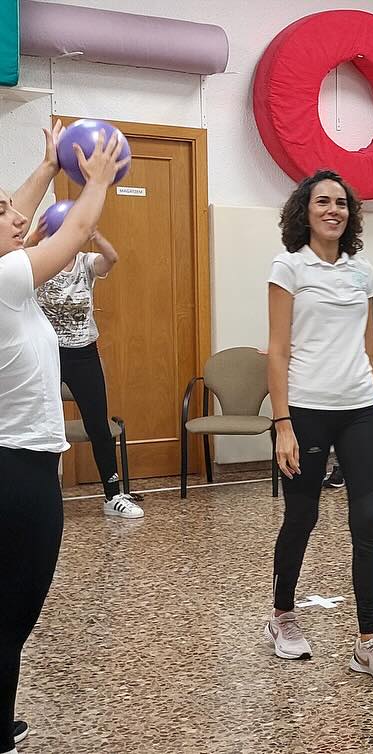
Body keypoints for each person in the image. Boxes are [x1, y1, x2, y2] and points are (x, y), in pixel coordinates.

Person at [1, 121, 125, 754]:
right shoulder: (3, 281)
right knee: (15, 607)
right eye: (1, 213)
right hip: (16, 472)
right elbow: (72, 234)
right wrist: (95, 184)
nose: (13, 213)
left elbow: (22, 215)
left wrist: (50, 165)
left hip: (16, 464)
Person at [263, 169, 373, 685]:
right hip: (305, 408)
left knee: (367, 523)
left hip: (361, 409)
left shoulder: (361, 271)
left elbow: (372, 348)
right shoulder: (289, 267)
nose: (333, 210)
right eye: (322, 201)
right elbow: (277, 350)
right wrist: (282, 423)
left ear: (351, 214)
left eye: (341, 203)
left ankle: (369, 642)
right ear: (305, 210)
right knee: (302, 517)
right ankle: (282, 615)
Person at [30, 223, 142, 517]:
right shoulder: (41, 260)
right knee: (42, 426)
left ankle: (112, 496)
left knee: (98, 427)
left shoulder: (85, 262)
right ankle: (38, 497)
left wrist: (95, 235)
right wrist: (36, 237)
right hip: (48, 354)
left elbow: (112, 259)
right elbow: (15, 262)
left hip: (84, 355)